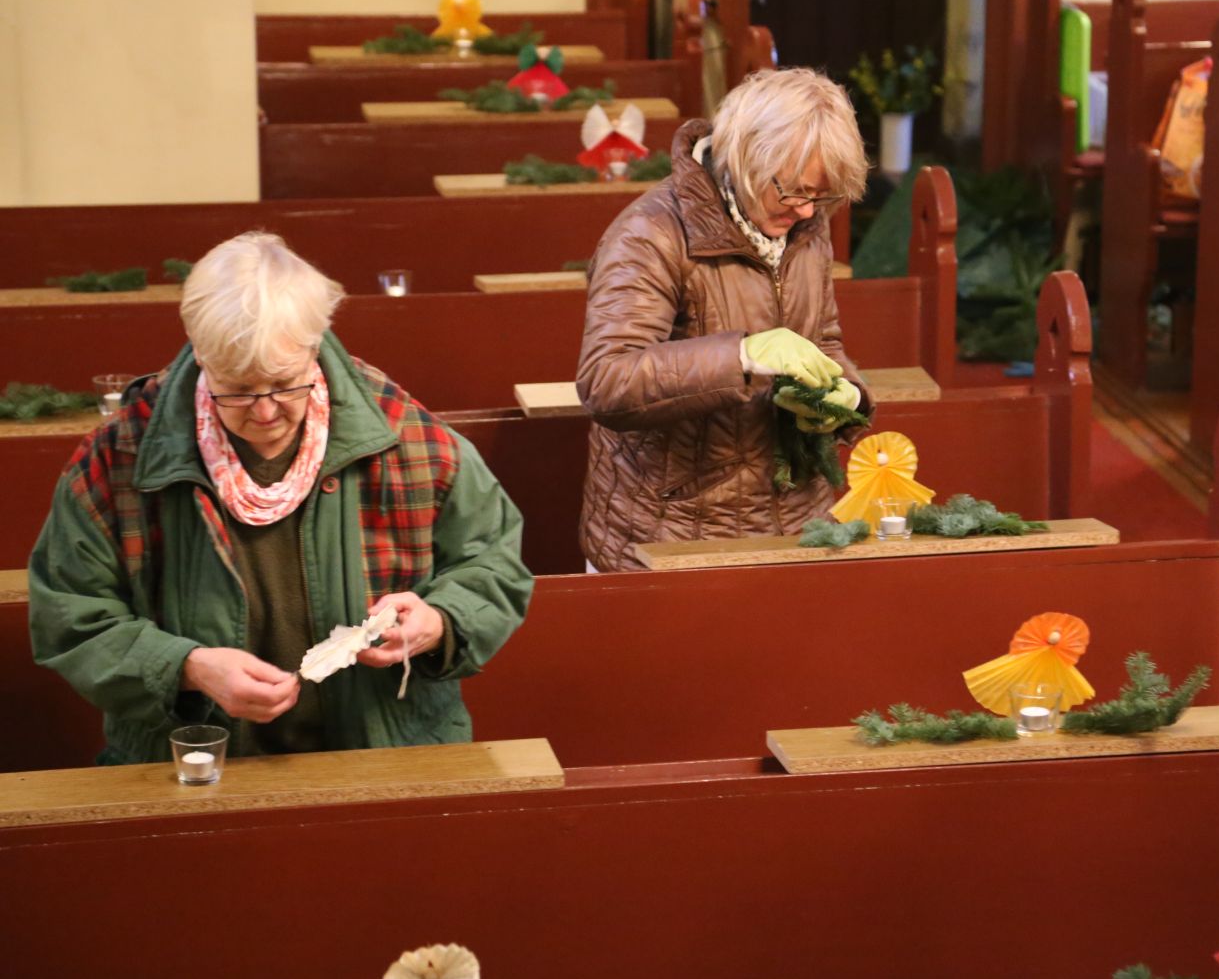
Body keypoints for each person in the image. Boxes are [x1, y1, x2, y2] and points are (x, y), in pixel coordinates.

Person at [28, 233, 533, 764]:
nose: (265, 412)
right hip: (195, 765)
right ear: (201, 356)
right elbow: (70, 615)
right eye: (238, 390)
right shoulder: (122, 456)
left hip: (387, 752)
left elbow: (494, 565)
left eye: (286, 384)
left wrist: (440, 622)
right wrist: (187, 667)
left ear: (314, 348)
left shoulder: (406, 438)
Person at [577, 67, 871, 572]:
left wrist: (846, 397)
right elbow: (607, 381)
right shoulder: (649, 234)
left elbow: (824, 340)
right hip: (671, 530)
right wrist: (743, 354)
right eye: (794, 191)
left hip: (796, 523)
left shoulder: (803, 224)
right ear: (745, 157)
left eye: (821, 197)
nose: (806, 211)